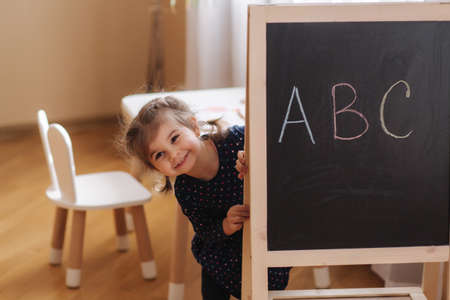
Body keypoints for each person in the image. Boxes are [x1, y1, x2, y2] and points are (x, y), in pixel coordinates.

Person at [119, 96, 290, 300]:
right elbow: (204, 230)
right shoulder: (185, 189)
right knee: (212, 284)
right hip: (222, 253)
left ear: (194, 127)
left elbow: (278, 156)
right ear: (154, 167)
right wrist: (226, 224)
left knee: (262, 291)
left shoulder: (236, 139)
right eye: (159, 155)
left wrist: (252, 160)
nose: (173, 155)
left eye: (174, 139)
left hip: (265, 236)